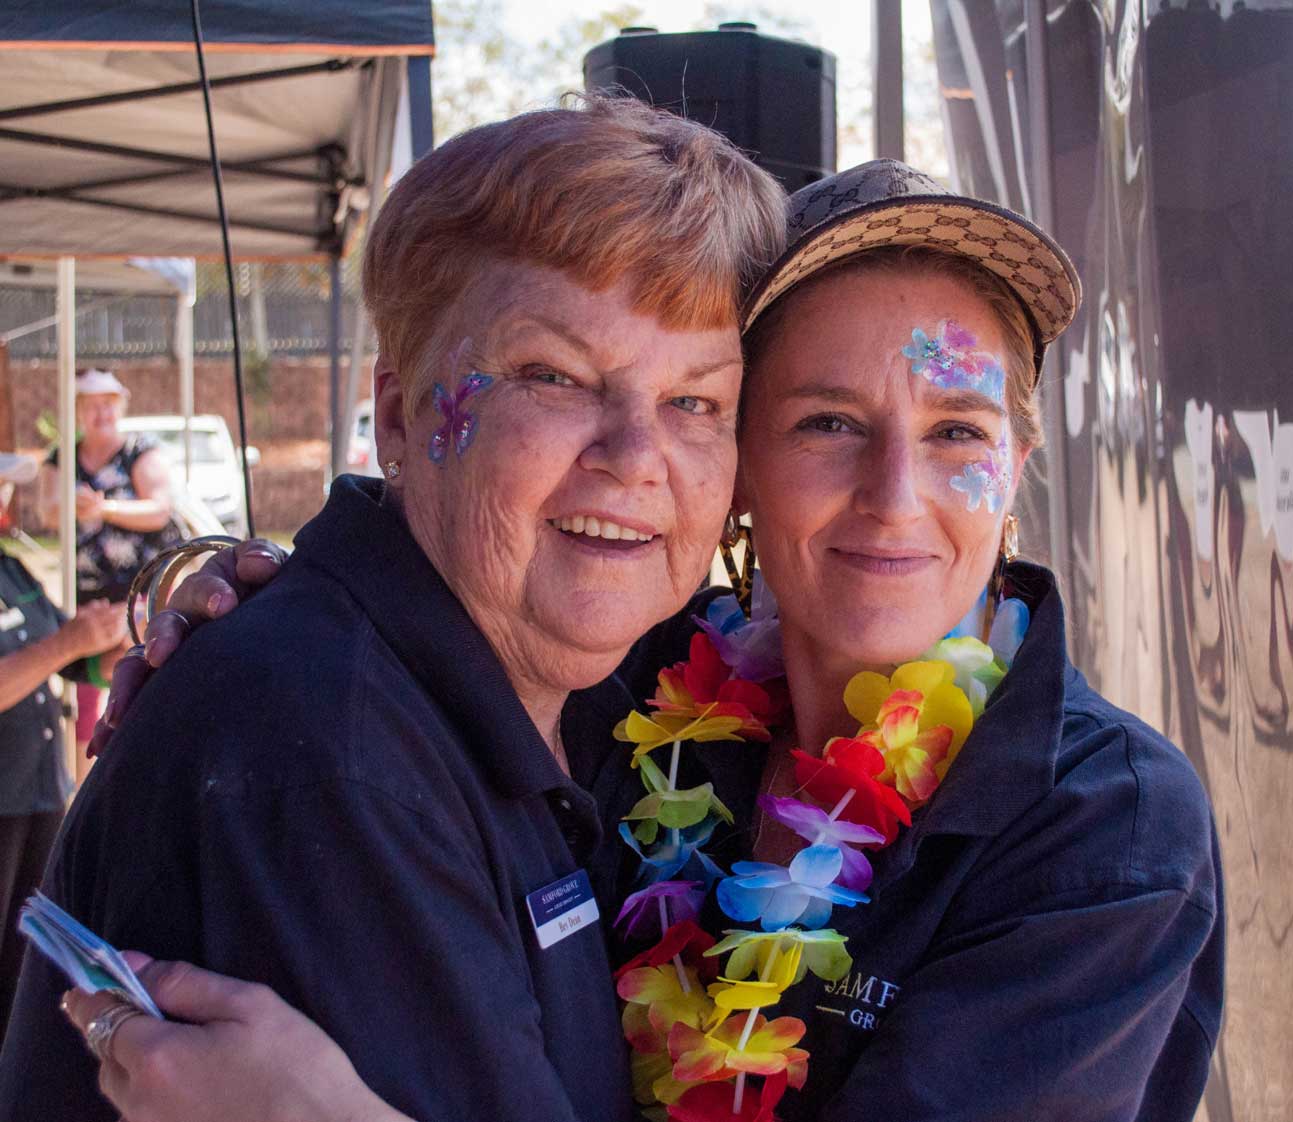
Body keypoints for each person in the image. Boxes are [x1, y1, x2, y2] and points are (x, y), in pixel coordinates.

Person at [56, 161, 1222, 1121]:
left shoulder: (1102, 828)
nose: (894, 491)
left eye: (957, 428)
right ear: (738, 467)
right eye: (826, 422)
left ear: (1015, 464)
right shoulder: (626, 700)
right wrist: (270, 589)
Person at [0, 96, 788, 1122]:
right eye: (551, 376)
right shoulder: (330, 750)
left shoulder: (593, 691)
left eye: (694, 402)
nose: (635, 458)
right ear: (401, 417)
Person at [0, 452, 129, 1039]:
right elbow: (49, 654)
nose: (5, 497)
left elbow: (79, 664)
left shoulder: (13, 571)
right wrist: (66, 644)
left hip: (37, 797)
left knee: (27, 969)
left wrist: (119, 637)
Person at [39, 369, 181, 770]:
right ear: (79, 411)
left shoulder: (140, 450)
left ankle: (140, 759)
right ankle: (85, 772)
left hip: (140, 586)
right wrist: (71, 506)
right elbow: (46, 511)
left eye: (108, 404)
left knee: (135, 669)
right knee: (84, 678)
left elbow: (159, 509)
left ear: (119, 406)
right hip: (86, 589)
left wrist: (105, 508)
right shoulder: (62, 458)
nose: (101, 413)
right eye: (92, 405)